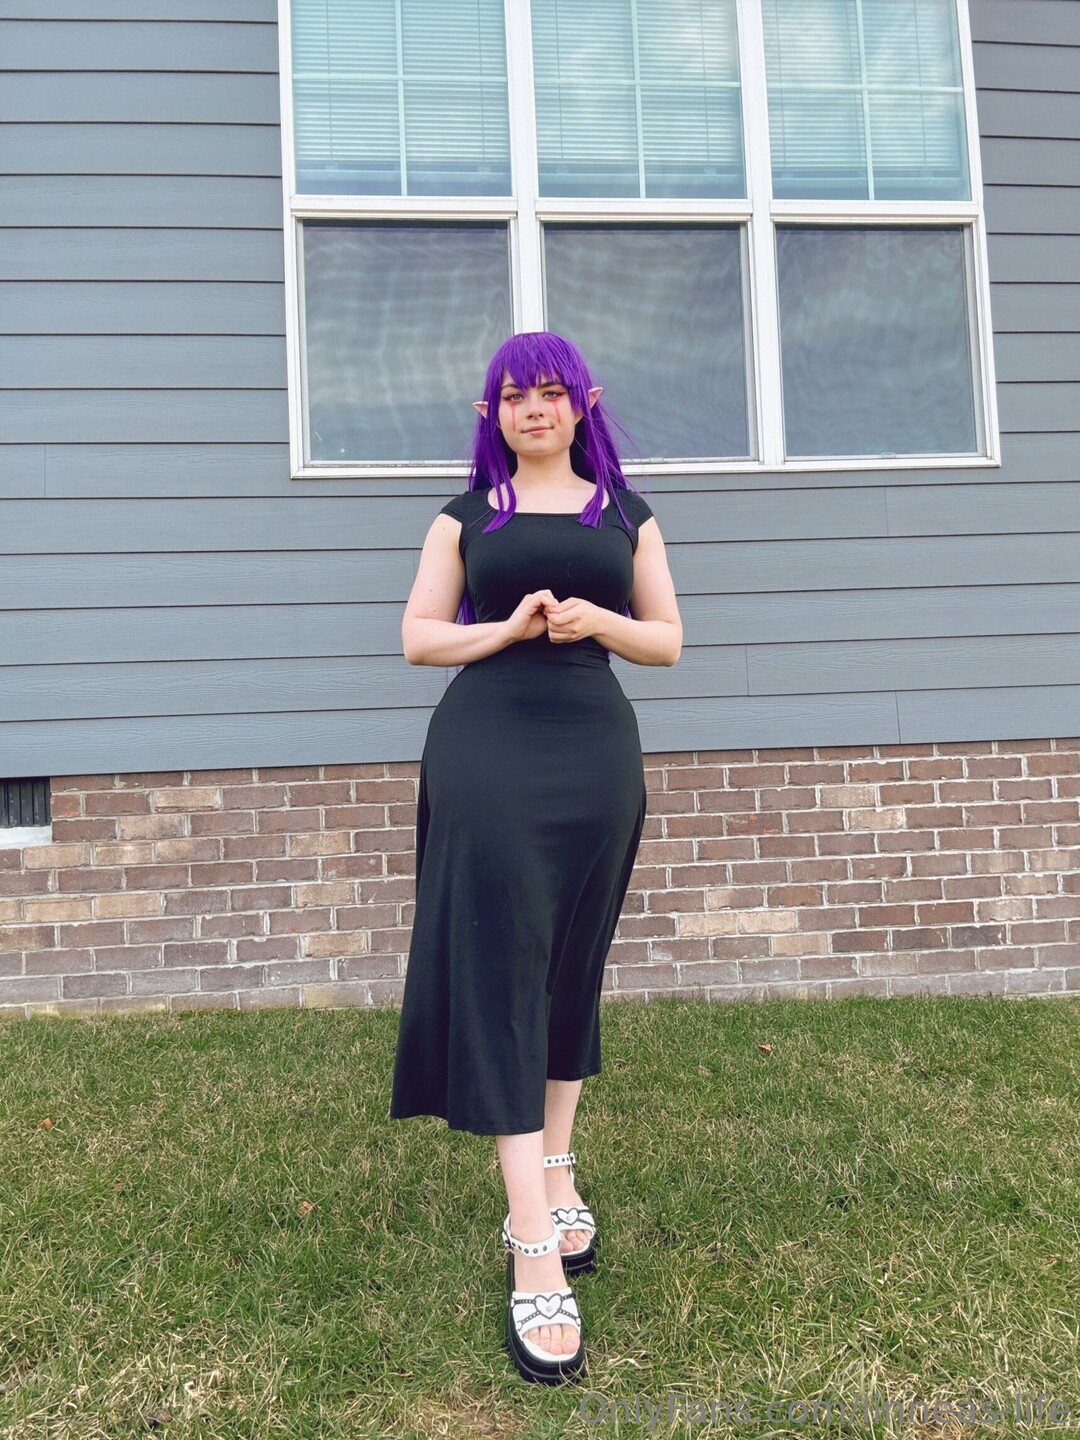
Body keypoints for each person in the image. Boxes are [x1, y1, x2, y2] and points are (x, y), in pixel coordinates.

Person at [389, 331, 682, 1384]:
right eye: (515, 396)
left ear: (582, 403)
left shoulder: (625, 515)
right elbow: (419, 637)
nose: (534, 409)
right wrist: (507, 628)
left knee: (569, 965)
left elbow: (666, 640)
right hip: (488, 749)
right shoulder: (467, 517)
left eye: (551, 393)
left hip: (596, 756)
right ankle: (531, 1241)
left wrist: (598, 618)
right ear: (493, 414)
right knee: (504, 967)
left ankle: (557, 1164)